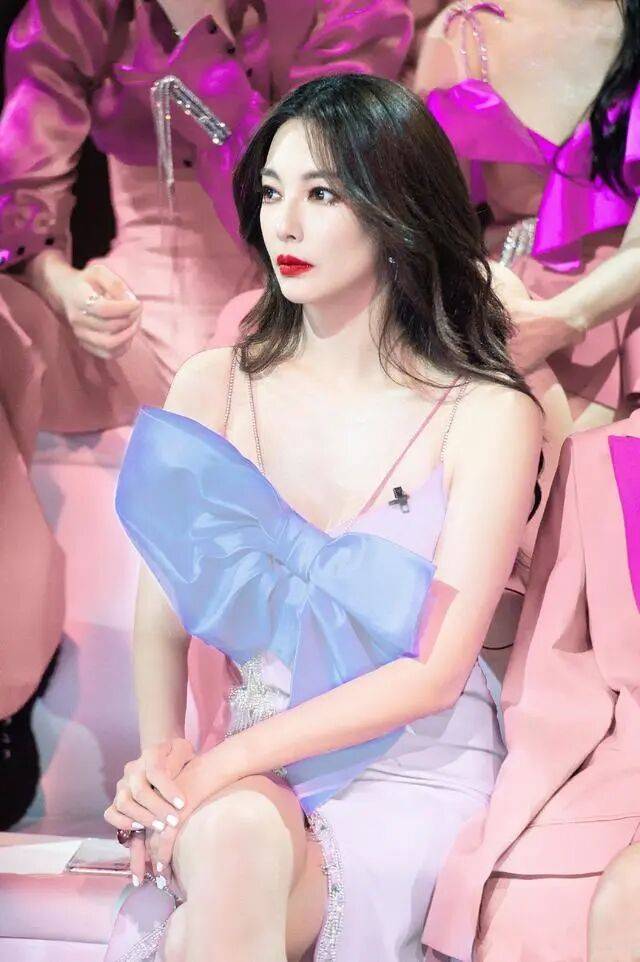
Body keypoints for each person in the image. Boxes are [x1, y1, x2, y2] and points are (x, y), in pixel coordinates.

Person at [103, 73, 543, 962]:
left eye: (323, 195)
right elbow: (162, 608)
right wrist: (164, 761)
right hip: (254, 771)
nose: (285, 226)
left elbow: (432, 674)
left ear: (397, 210)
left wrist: (219, 765)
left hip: (414, 767)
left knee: (215, 895)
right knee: (233, 837)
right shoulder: (214, 386)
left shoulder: (486, 412)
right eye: (272, 192)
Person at [0, 0, 413, 825]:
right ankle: (9, 677)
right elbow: (21, 185)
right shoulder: (85, 12)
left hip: (276, 308)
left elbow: (330, 189)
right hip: (118, 321)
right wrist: (64, 285)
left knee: (240, 346)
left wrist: (209, 42)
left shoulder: (340, 12)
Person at [424, 409, 640, 962]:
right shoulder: (603, 457)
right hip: (623, 769)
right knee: (526, 906)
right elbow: (556, 680)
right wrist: (510, 824)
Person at [415, 0, 640, 433]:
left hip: (624, 301)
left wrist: (566, 318)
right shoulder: (464, 31)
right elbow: (431, 221)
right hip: (508, 295)